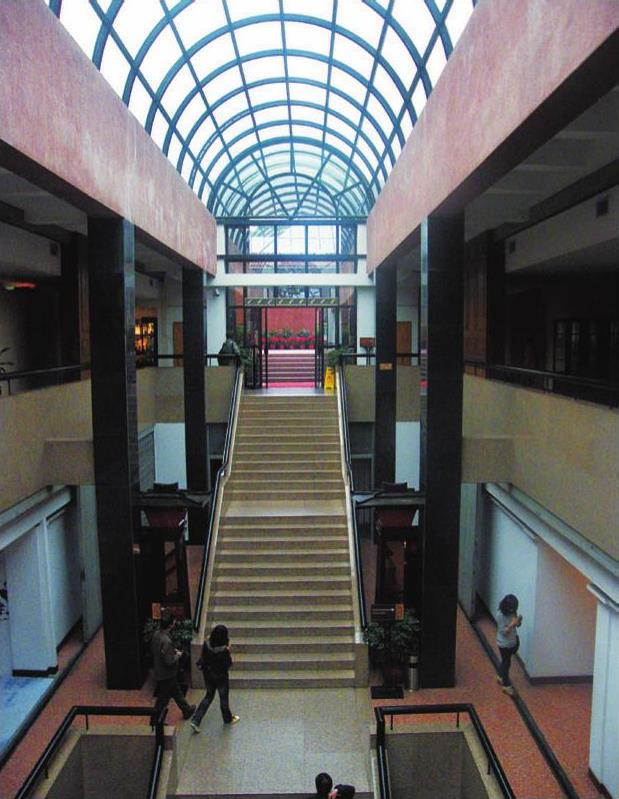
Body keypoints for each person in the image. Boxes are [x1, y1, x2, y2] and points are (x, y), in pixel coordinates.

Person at [190, 624, 239, 732]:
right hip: (221, 677)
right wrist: (228, 650)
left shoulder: (207, 644)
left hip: (208, 674)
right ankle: (227, 718)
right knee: (223, 698)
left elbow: (203, 657)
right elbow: (228, 664)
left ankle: (196, 720)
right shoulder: (224, 650)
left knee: (208, 696)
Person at [151, 611, 195, 723]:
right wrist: (177, 655)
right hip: (167, 674)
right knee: (163, 698)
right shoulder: (167, 641)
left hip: (160, 670)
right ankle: (155, 719)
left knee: (176, 692)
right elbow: (169, 661)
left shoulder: (156, 635)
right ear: (171, 624)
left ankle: (186, 709)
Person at [496, 594, 523, 696]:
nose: (512, 611)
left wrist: (518, 622)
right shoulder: (500, 615)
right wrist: (512, 624)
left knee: (505, 660)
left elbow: (517, 624)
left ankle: (500, 675)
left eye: (514, 609)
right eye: (511, 609)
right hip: (504, 644)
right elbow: (503, 632)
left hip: (513, 641)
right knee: (506, 663)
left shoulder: (513, 612)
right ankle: (506, 685)